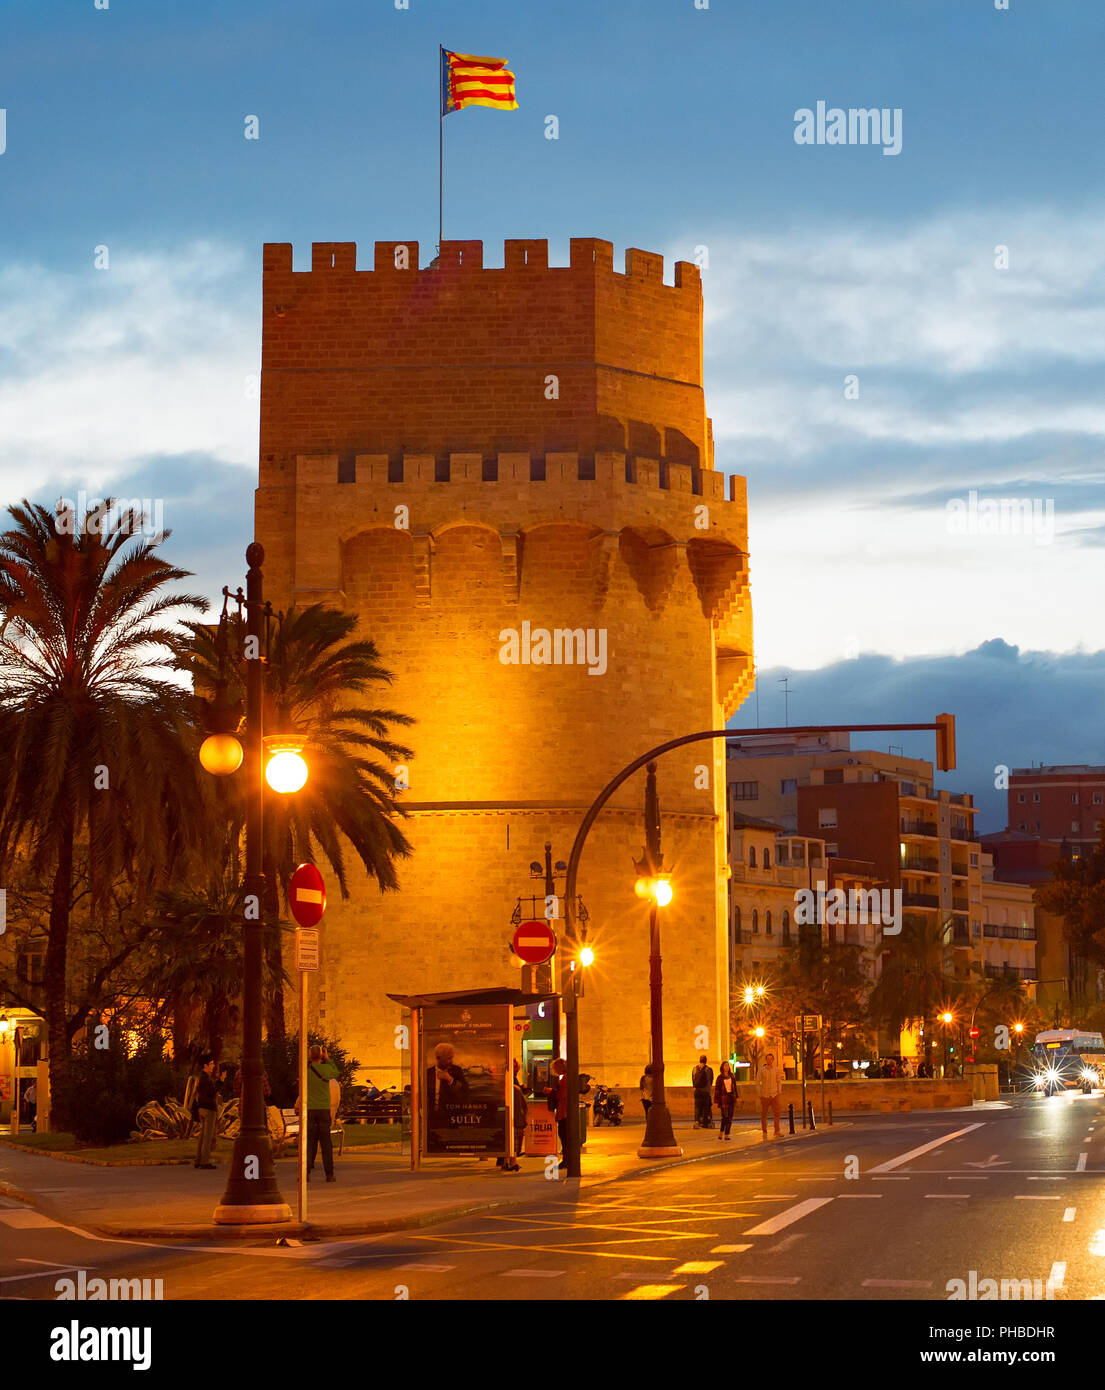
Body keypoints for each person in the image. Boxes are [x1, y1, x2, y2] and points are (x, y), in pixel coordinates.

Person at [304, 1043, 340, 1183]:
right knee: (326, 1143)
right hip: (324, 1109)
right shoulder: (326, 1069)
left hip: (310, 1109)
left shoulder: (306, 1070)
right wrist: (328, 1059)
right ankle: (329, 1174)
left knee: (309, 1142)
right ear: (321, 1055)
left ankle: (305, 1173)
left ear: (309, 1055)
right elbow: (336, 1072)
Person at [498, 1059, 526, 1172]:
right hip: (513, 1118)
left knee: (509, 1140)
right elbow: (522, 1107)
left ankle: (509, 1162)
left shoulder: (510, 1089)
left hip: (510, 1117)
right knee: (512, 1141)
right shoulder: (515, 1089)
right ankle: (511, 1162)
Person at [192, 1055, 218, 1169]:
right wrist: (221, 1082)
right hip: (208, 1109)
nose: (213, 1066)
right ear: (206, 1065)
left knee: (202, 1136)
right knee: (207, 1136)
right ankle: (204, 1162)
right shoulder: (206, 1078)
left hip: (202, 1108)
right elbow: (211, 1093)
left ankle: (198, 1160)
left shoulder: (201, 1077)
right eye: (211, 1063)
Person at [758, 1052, 782, 1140]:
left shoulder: (776, 1070)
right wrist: (760, 1093)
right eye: (768, 1059)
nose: (769, 1060)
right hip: (765, 1095)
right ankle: (764, 1131)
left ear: (773, 1060)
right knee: (764, 1114)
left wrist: (779, 1091)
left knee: (777, 1113)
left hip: (774, 1094)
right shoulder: (762, 1070)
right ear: (766, 1060)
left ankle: (777, 1131)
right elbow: (757, 1082)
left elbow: (779, 1081)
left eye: (771, 1059)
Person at [548, 1058, 569, 1161]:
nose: (554, 1070)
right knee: (564, 1137)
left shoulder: (565, 1079)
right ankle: (566, 1159)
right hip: (564, 1111)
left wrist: (551, 1092)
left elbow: (562, 1095)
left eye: (555, 1068)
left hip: (564, 1112)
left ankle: (566, 1160)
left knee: (564, 1136)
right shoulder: (565, 1078)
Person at [713, 1060, 738, 1140]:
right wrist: (716, 1101)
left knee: (730, 1117)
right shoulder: (720, 1078)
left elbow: (734, 1087)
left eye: (728, 1066)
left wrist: (736, 1097)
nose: (727, 1067)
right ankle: (721, 1132)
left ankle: (727, 1134)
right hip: (723, 1099)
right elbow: (717, 1090)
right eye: (725, 1066)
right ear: (722, 1067)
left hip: (731, 1098)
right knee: (725, 1117)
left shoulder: (731, 1076)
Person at [691, 1054, 714, 1128]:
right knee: (706, 1107)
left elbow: (693, 1079)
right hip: (705, 1091)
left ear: (699, 1060)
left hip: (697, 1091)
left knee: (697, 1107)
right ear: (706, 1061)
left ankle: (697, 1122)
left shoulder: (695, 1068)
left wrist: (695, 1087)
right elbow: (710, 1080)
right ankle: (705, 1123)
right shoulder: (708, 1069)